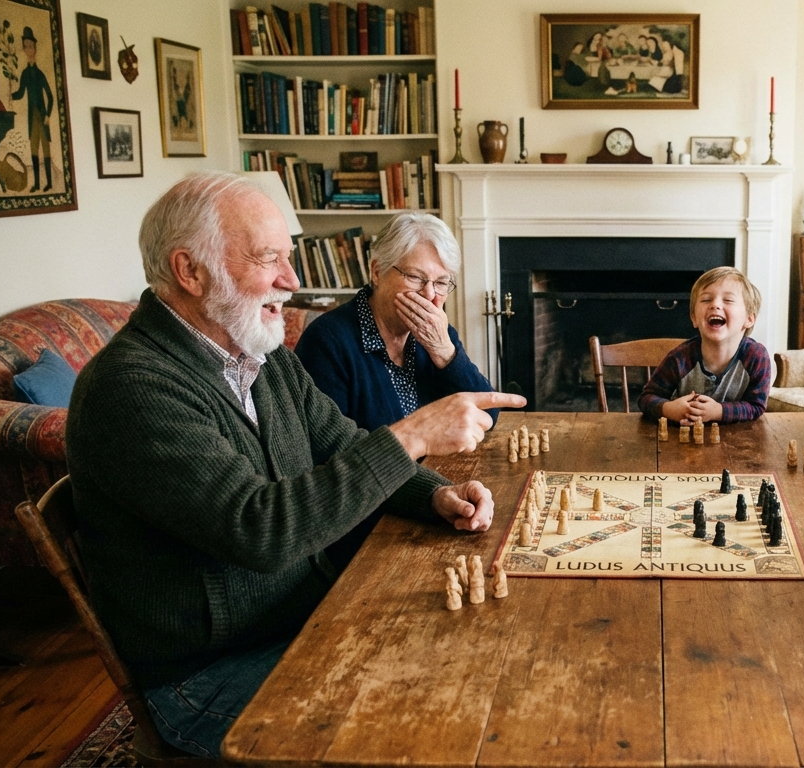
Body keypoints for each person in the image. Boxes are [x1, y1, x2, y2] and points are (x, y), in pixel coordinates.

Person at [66, 171, 524, 758]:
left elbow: (344, 442)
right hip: (206, 674)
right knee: (436, 721)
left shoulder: (260, 356)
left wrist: (432, 495)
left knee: (473, 656)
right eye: (268, 259)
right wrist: (412, 435)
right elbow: (261, 529)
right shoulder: (132, 388)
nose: (292, 279)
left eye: (289, 257)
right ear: (189, 271)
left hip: (300, 615)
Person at [296, 211, 497, 567]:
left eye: (441, 283)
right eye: (417, 278)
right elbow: (332, 458)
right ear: (376, 272)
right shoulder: (329, 341)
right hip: (367, 523)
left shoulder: (436, 332)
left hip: (431, 495)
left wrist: (444, 352)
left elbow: (487, 415)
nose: (430, 297)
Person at [639, 266, 770, 424]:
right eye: (706, 299)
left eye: (728, 300)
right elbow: (646, 399)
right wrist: (669, 409)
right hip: (681, 441)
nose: (715, 305)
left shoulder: (756, 356)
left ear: (749, 319)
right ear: (694, 318)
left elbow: (756, 406)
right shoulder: (679, 358)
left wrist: (719, 411)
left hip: (737, 442)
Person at [10, 27, 54, 192]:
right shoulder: (25, 74)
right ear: (24, 48)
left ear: (34, 48)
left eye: (31, 46)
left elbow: (50, 96)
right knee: (34, 151)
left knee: (46, 151)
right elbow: (21, 93)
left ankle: (49, 182)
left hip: (43, 117)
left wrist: (48, 115)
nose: (28, 49)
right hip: (32, 118)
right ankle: (36, 183)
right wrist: (9, 94)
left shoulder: (40, 74)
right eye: (26, 46)